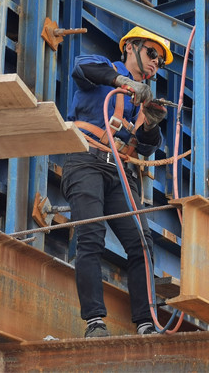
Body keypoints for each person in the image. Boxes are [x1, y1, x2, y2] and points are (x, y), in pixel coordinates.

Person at [61, 26, 173, 338]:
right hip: (86, 160)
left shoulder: (144, 100)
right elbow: (82, 68)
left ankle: (146, 323)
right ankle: (94, 321)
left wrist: (151, 124)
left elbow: (147, 147)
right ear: (130, 48)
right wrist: (122, 81)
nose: (155, 62)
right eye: (152, 53)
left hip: (120, 172)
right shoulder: (104, 68)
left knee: (141, 243)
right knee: (91, 235)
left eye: (160, 61)